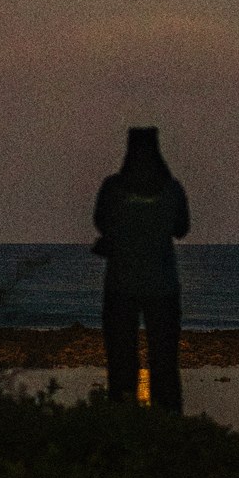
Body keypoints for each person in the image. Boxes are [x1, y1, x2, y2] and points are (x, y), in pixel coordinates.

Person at [92, 125, 190, 413]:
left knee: (121, 360)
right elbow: (182, 228)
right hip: (163, 285)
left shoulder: (112, 188)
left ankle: (123, 419)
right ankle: (168, 423)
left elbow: (100, 222)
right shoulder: (171, 189)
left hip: (120, 284)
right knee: (164, 361)